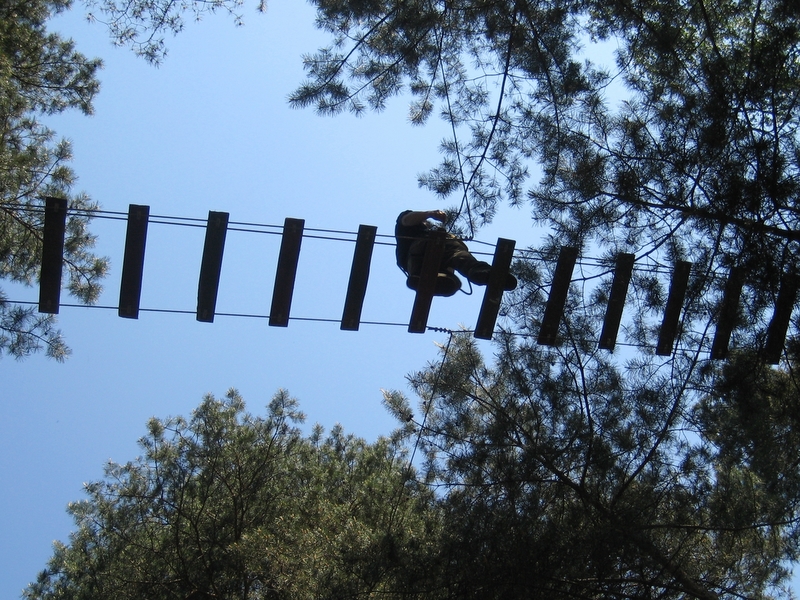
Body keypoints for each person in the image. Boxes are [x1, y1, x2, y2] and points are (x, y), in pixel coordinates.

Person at [395, 209, 517, 296]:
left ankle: (425, 279)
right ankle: (477, 270)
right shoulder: (408, 228)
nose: (428, 224)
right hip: (419, 252)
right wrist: (430, 214)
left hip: (421, 267)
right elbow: (406, 220)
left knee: (454, 284)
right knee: (456, 252)